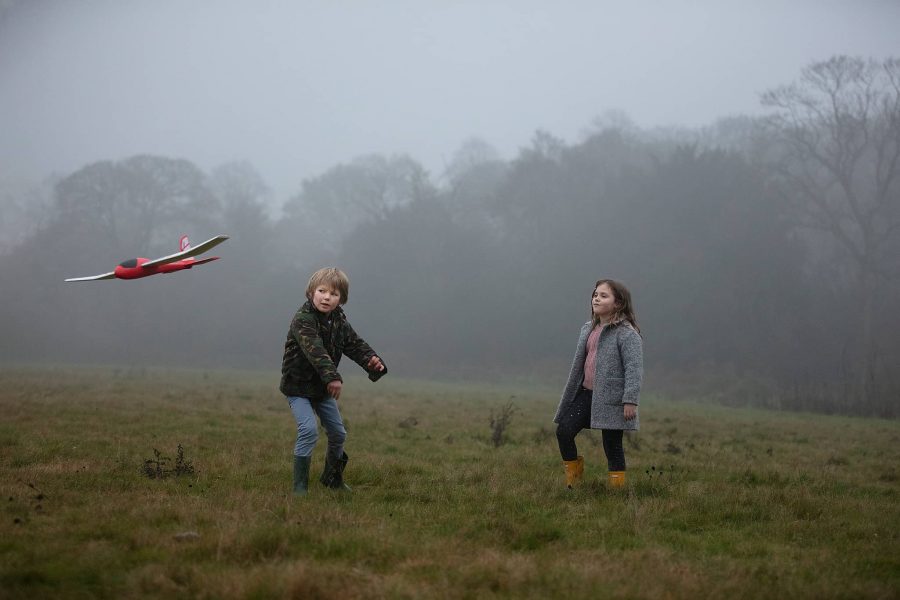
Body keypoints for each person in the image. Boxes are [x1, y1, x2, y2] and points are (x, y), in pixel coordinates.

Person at [280, 267, 386, 495]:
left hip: (322, 389)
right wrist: (333, 377)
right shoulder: (303, 319)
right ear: (311, 292)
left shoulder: (338, 319)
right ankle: (300, 489)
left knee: (338, 434)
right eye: (322, 291)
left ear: (342, 299)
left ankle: (332, 479)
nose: (327, 297)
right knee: (308, 431)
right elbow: (315, 350)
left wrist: (372, 361)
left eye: (334, 294)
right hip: (298, 387)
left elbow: (353, 344)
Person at [553, 279, 643, 489]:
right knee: (564, 431)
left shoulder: (627, 334)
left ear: (618, 303)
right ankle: (574, 481)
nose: (596, 298)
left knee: (612, 445)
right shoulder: (587, 329)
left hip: (614, 398)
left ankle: (617, 490)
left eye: (604, 295)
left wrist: (630, 399)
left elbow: (634, 368)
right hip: (586, 394)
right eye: (595, 294)